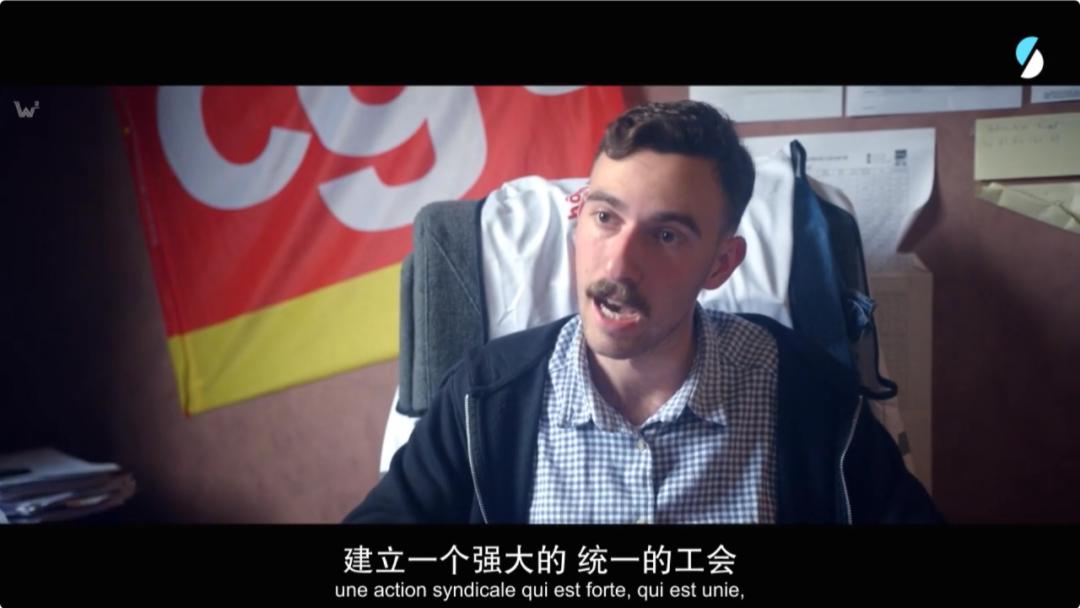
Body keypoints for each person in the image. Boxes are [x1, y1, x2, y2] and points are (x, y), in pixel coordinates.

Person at [345, 100, 941, 524]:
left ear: (720, 264)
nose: (619, 266)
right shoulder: (483, 396)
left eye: (667, 235)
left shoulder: (808, 392)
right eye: (605, 218)